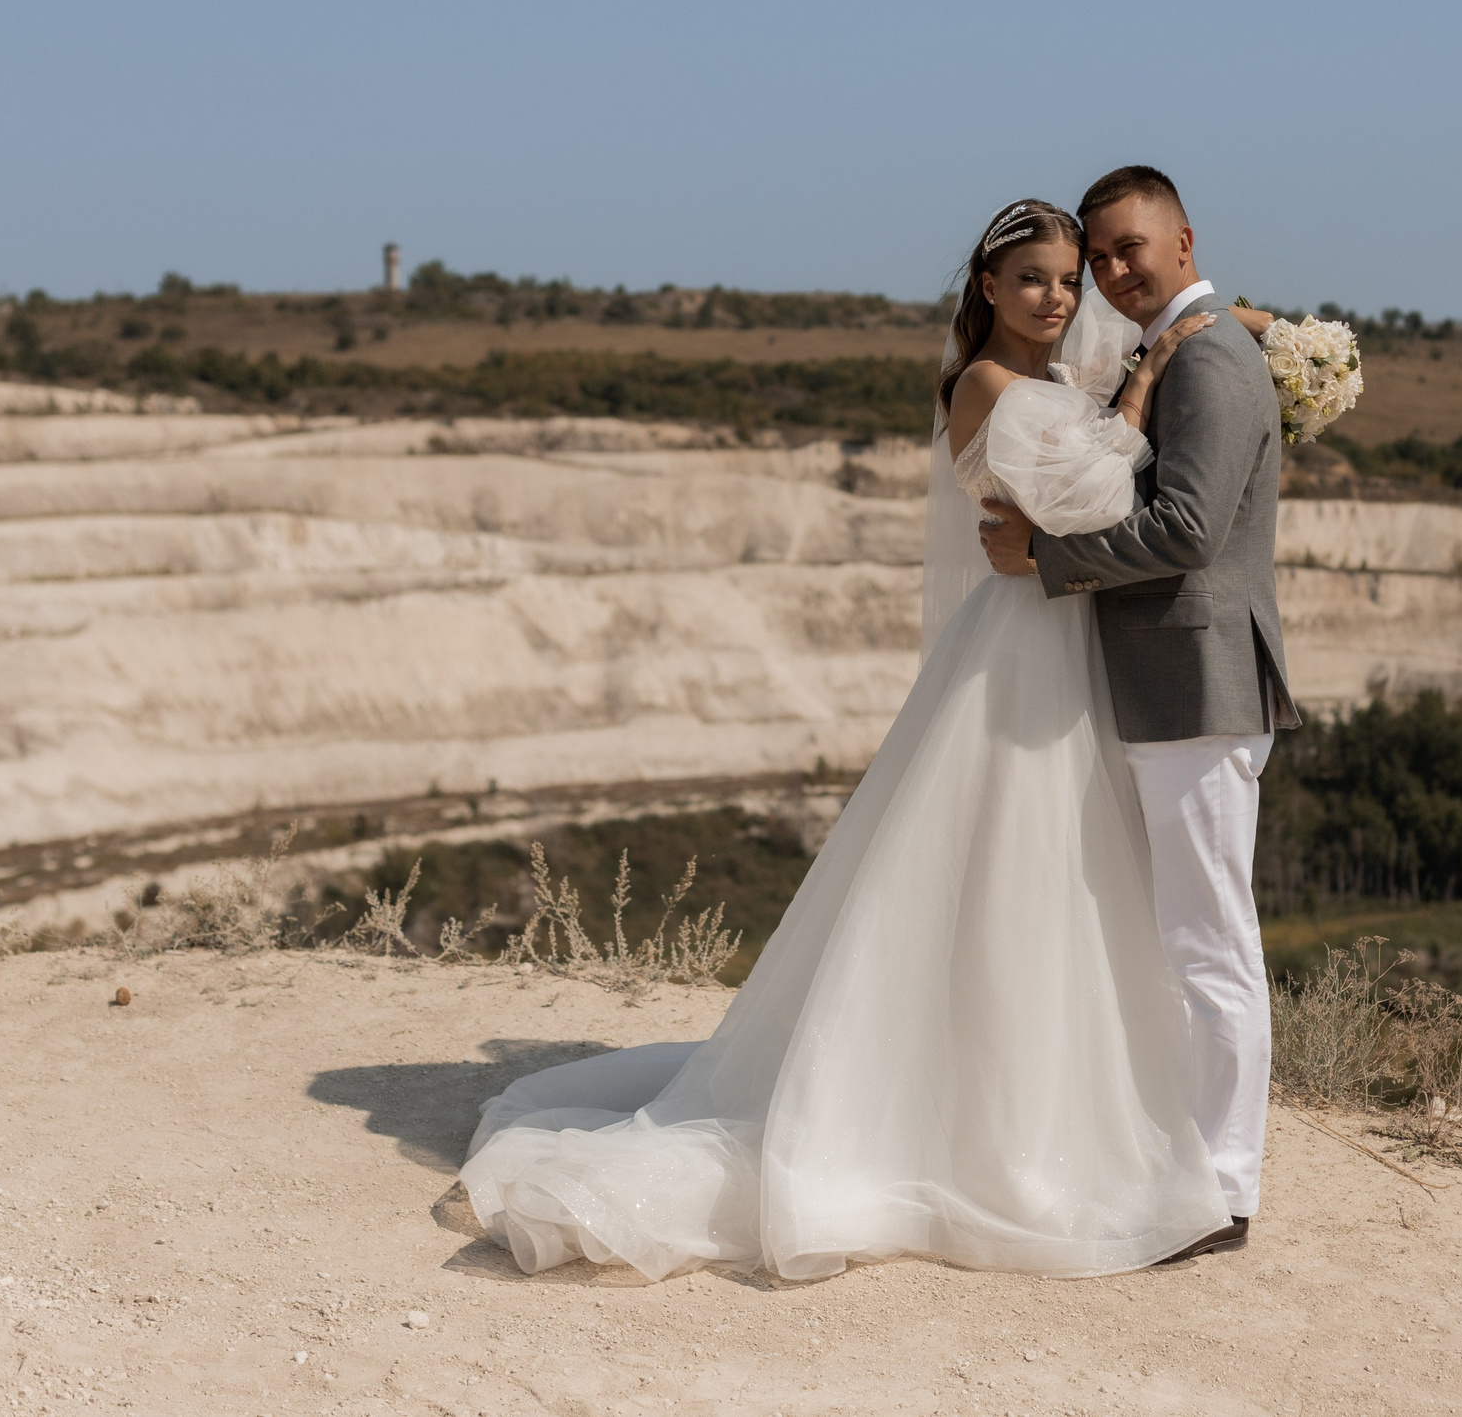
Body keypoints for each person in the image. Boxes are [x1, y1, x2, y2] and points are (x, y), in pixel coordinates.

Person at [458, 198, 1235, 1281]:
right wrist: (1149, 387)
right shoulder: (985, 385)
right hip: (1020, 648)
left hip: (1059, 638)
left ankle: (1039, 1111)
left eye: (1070, 279)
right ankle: (965, 1137)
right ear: (987, 291)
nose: (1058, 297)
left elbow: (1091, 492)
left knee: (1058, 882)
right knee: (1004, 867)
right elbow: (1100, 488)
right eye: (1033, 281)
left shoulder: (1054, 383)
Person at [980, 165, 1300, 1260]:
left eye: (1128, 249)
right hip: (1169, 677)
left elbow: (1188, 529)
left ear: (1182, 237)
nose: (1113, 271)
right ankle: (1187, 1159)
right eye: (1098, 256)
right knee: (1181, 936)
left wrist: (1047, 555)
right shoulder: (1196, 341)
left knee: (1209, 941)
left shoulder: (1208, 355)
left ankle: (1224, 1185)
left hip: (1197, 675)